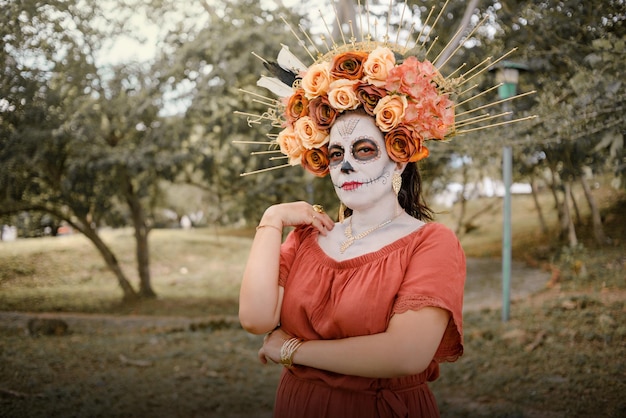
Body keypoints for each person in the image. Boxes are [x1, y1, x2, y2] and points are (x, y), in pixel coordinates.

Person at [238, 13, 468, 417]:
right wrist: (272, 219)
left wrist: (292, 350)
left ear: (398, 160)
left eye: (363, 150)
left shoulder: (430, 242)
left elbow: (405, 354)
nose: (344, 167)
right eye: (335, 155)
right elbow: (256, 319)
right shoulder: (309, 237)